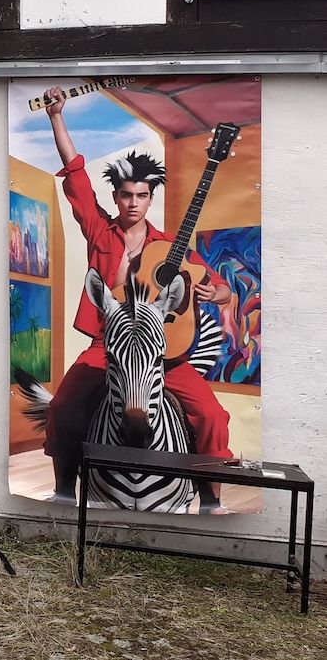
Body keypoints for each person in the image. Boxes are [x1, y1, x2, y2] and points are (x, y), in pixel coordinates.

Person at [42, 86, 233, 509]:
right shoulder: (100, 231)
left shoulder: (170, 246)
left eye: (141, 195)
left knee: (212, 415)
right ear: (116, 197)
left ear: (150, 198)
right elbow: (76, 175)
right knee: (62, 407)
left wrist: (214, 293)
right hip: (106, 346)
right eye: (126, 195)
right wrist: (56, 117)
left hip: (161, 352)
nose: (133, 203)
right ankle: (63, 491)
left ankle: (210, 499)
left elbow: (220, 286)